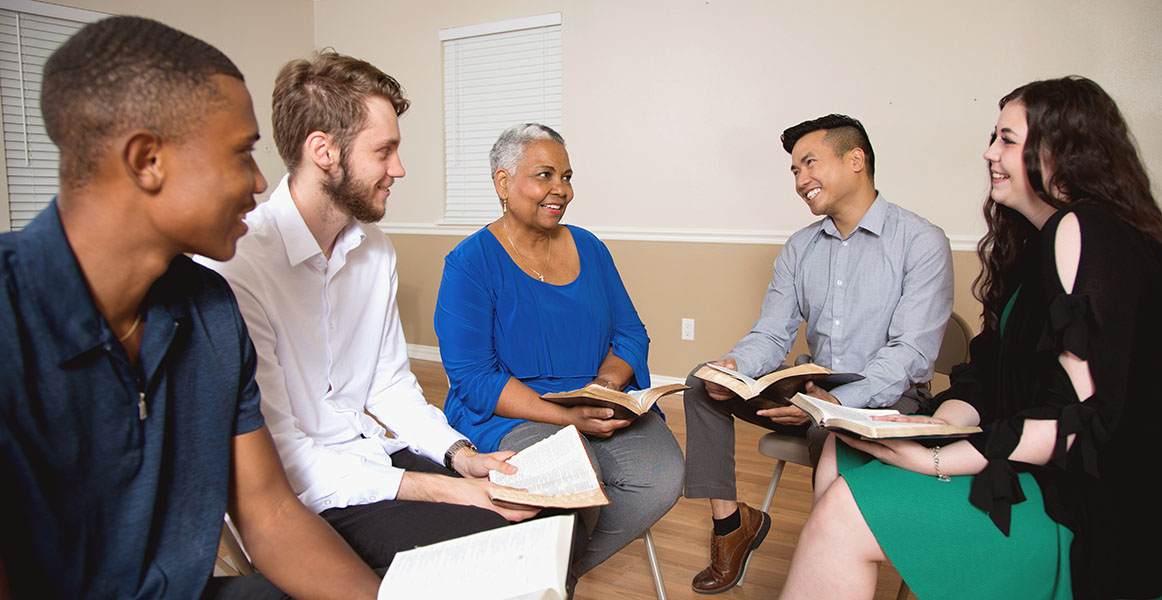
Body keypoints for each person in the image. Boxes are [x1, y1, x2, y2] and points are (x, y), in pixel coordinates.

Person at [0, 16, 382, 599]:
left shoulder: (209, 310)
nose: (259, 181)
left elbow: (273, 515)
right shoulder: (10, 317)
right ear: (146, 160)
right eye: (241, 153)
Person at [782, 76, 1162, 600]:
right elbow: (985, 372)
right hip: (1016, 448)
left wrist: (936, 458)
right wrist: (935, 424)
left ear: (1063, 149)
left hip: (1085, 501)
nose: (989, 153)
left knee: (842, 517)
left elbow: (1074, 427)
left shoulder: (1085, 232)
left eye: (1007, 139)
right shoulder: (1031, 246)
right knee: (838, 452)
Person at [195, 51, 537, 577]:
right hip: (306, 494)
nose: (398, 169)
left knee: (528, 527)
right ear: (323, 150)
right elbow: (283, 457)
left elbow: (389, 386)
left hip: (370, 458)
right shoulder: (237, 267)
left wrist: (460, 456)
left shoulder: (374, 251)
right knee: (495, 556)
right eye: (384, 151)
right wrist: (449, 492)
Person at [682, 114, 954, 593]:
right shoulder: (799, 248)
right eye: (793, 170)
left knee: (827, 434)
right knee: (701, 385)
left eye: (809, 163)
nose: (800, 180)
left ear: (856, 160)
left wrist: (827, 406)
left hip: (889, 400)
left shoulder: (921, 241)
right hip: (811, 389)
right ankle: (731, 528)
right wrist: (734, 367)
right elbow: (772, 333)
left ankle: (830, 562)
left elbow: (911, 353)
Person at [433, 123, 685, 576]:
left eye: (566, 177)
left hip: (591, 400)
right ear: (503, 183)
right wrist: (567, 416)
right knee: (569, 475)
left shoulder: (589, 246)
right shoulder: (469, 264)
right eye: (545, 176)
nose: (561, 190)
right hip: (510, 411)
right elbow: (475, 377)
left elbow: (630, 332)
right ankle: (537, 575)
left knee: (661, 476)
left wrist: (604, 387)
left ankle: (541, 575)